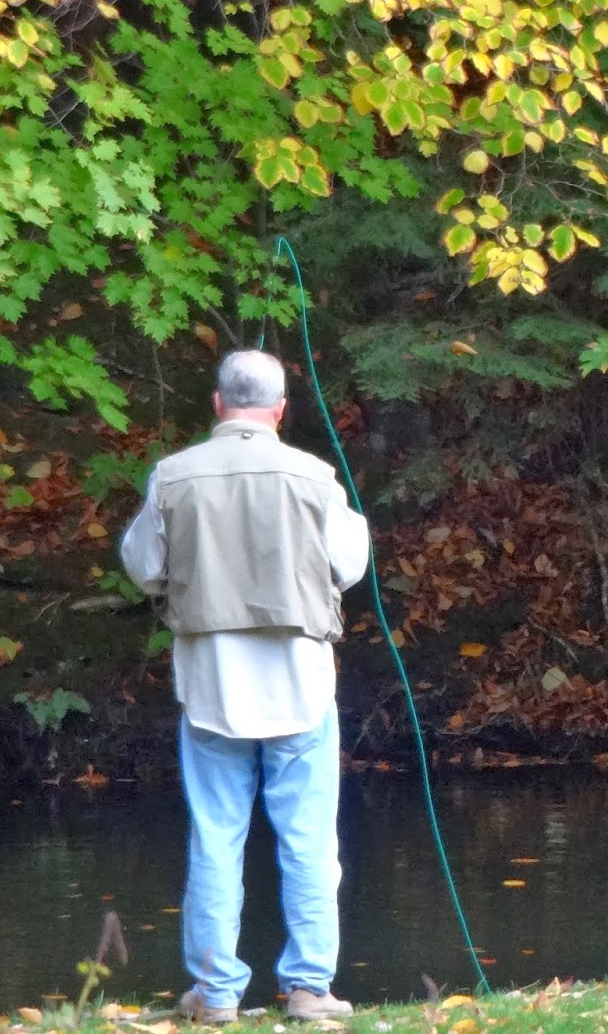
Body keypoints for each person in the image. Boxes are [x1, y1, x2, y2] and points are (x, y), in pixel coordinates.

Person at [120, 349, 370, 1024]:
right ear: (282, 409)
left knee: (216, 841)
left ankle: (216, 995)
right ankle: (310, 990)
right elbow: (349, 565)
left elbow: (142, 567)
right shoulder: (315, 476)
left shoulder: (173, 477)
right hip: (300, 687)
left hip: (211, 691)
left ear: (217, 403)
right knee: (311, 842)